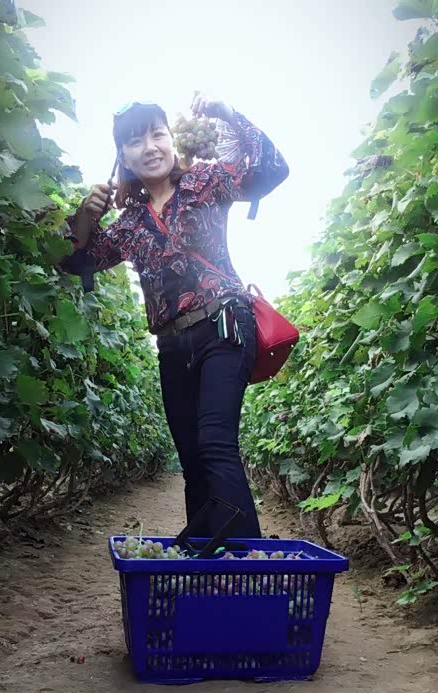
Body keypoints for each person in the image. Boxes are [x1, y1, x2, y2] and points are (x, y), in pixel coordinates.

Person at [60, 93, 289, 538]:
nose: (149, 147)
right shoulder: (129, 223)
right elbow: (74, 261)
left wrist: (226, 114)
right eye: (134, 141)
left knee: (215, 443)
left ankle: (247, 559)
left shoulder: (204, 183)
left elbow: (272, 169)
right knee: (191, 457)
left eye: (157, 134)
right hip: (172, 345)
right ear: (123, 156)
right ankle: (204, 554)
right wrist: (85, 217)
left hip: (224, 325)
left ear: (170, 140)